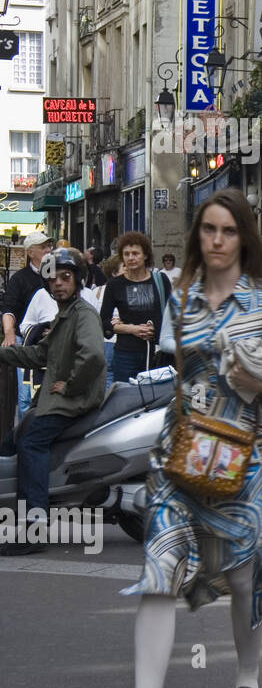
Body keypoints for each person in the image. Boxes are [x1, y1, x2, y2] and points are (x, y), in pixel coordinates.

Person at [124, 188, 262, 688]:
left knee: (244, 578)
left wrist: (260, 377)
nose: (218, 240)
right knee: (159, 572)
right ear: (197, 234)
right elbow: (179, 371)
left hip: (241, 459)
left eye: (228, 230)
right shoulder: (179, 295)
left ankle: (247, 679)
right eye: (209, 229)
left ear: (243, 236)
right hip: (177, 455)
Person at [0, 248, 107, 554]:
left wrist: (71, 386)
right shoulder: (66, 314)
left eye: (65, 277)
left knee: (30, 443)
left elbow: (94, 355)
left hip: (72, 401)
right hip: (53, 400)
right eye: (53, 279)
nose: (58, 283)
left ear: (77, 280)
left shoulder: (83, 314)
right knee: (10, 443)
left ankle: (34, 529)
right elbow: (39, 354)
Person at [100, 232, 172, 383]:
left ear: (145, 255)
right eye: (126, 254)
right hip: (125, 353)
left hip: (155, 352)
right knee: (126, 398)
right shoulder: (115, 285)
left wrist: (157, 331)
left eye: (135, 253)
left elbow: (171, 314)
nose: (131, 258)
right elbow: (104, 322)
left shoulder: (160, 280)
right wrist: (132, 329)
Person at [1, 233, 53, 434]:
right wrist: (9, 333)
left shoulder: (56, 275)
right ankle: (25, 434)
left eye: (49, 246)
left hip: (57, 340)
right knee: (26, 396)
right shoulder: (20, 279)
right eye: (43, 247)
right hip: (29, 341)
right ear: (30, 252)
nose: (48, 250)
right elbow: (9, 309)